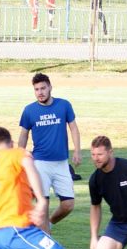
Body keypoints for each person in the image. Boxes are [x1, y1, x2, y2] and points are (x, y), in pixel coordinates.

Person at [17, 73, 81, 231]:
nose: (40, 92)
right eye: (36, 89)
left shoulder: (64, 105)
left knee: (68, 204)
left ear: (50, 87)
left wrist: (77, 151)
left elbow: (73, 128)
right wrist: (19, 157)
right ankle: (46, 240)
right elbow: (23, 134)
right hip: (40, 164)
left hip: (61, 163)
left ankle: (47, 226)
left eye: (43, 88)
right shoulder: (29, 110)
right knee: (43, 205)